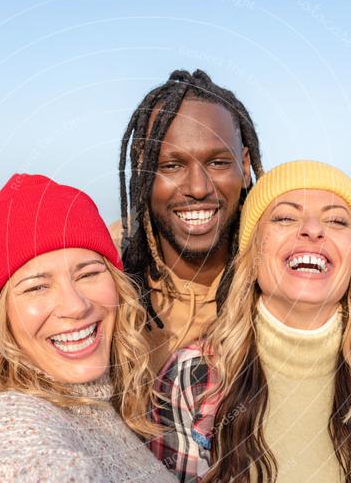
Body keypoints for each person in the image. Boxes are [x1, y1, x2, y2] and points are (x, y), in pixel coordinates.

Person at [150, 160, 351, 483]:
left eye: (336, 220)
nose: (313, 229)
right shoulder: (191, 373)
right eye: (285, 217)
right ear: (252, 253)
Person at [0, 174, 188, 483]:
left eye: (88, 274)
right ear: (2, 316)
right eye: (37, 286)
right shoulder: (4, 428)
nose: (76, 306)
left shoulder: (105, 407)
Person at [113, 68, 264, 373]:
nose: (198, 188)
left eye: (218, 162)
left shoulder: (283, 293)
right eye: (171, 165)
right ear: (142, 172)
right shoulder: (109, 303)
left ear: (245, 166)